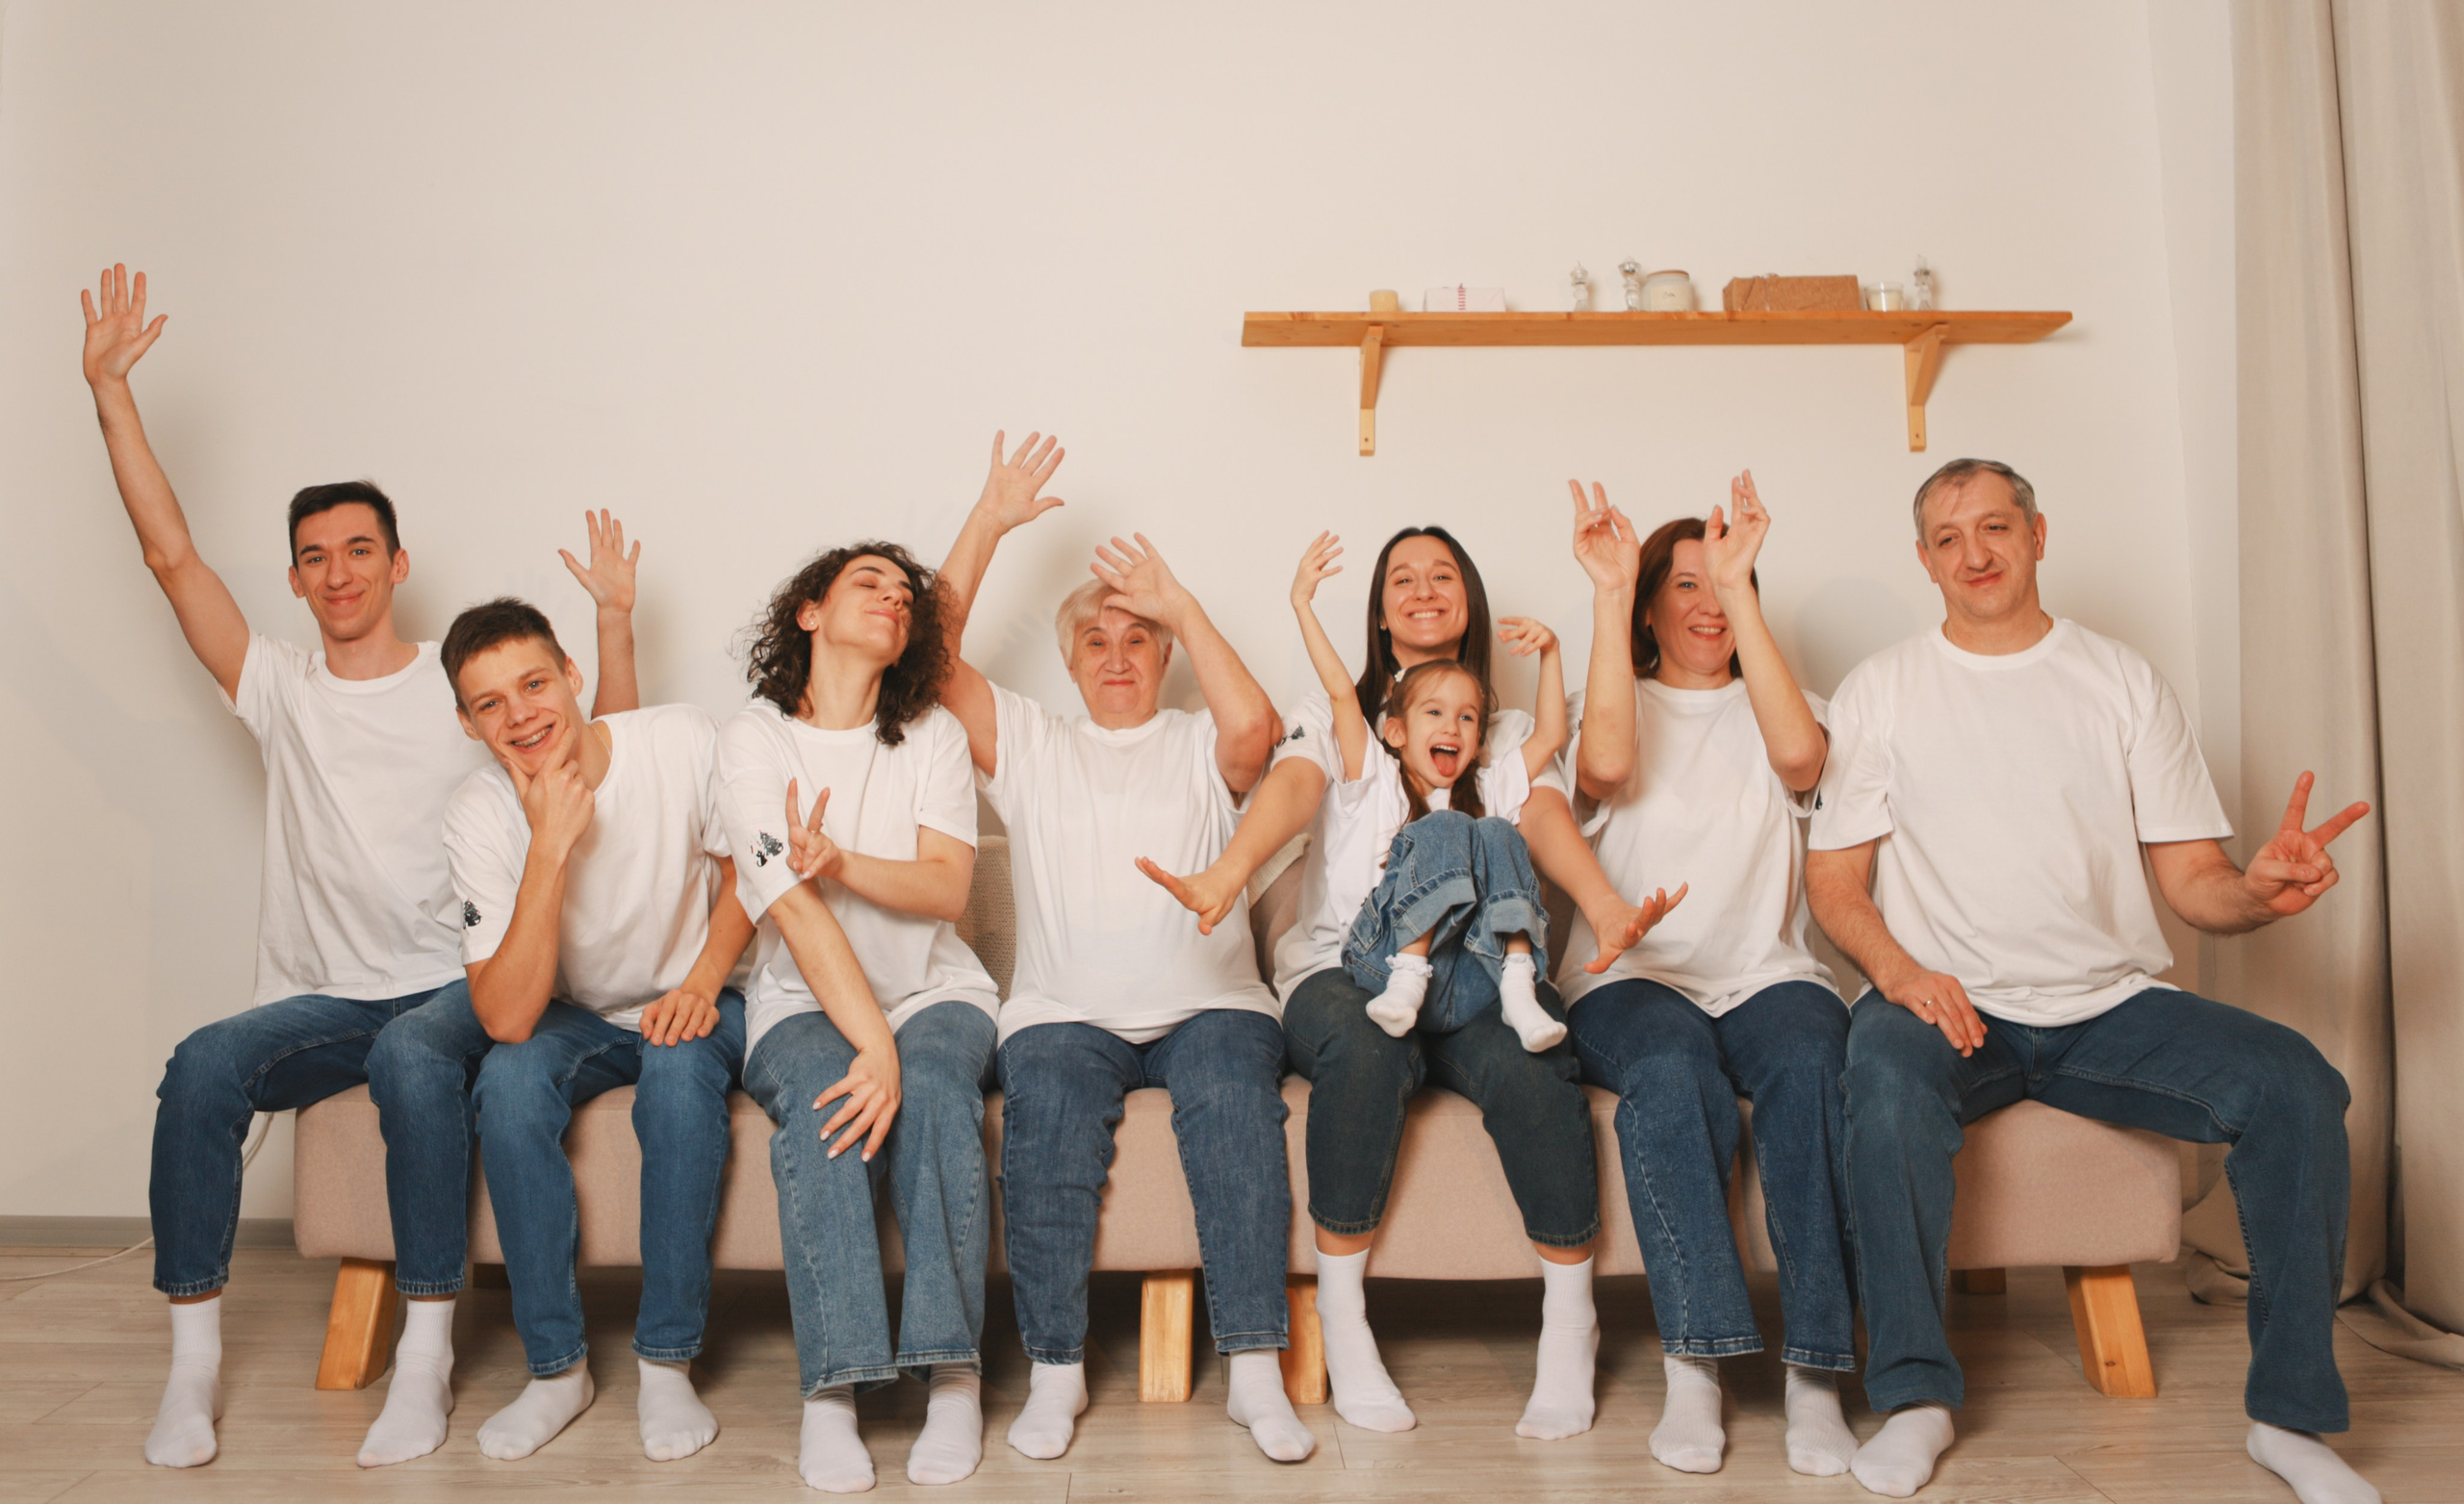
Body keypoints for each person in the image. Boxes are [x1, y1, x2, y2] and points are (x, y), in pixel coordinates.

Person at [77, 265, 639, 1470]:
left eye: (358, 550)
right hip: (329, 992)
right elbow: (173, 558)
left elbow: (609, 764)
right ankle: (192, 1370)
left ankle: (427, 1357)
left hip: (458, 983)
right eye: (314, 557)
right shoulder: (277, 687)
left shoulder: (461, 686)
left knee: (412, 1053)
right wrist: (110, 394)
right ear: (293, 580)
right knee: (203, 1065)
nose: (337, 573)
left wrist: (611, 627)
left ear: (396, 562)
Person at [1804, 459, 2375, 1504]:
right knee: (1880, 1090)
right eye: (1947, 537)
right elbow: (1834, 880)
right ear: (1924, 560)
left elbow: (2194, 881)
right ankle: (1916, 1398)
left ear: (2036, 533)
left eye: (1993, 527)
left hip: (2108, 1007)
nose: (1973, 553)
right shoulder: (1881, 687)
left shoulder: (2119, 678)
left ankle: (2289, 1420)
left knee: (2296, 1082)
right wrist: (1897, 973)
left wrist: (2256, 892)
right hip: (1947, 1003)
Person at [1148, 522, 1677, 1441]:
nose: (1423, 588)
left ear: (1467, 600)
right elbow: (1298, 781)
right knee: (1363, 1048)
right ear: (1381, 618)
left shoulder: (1497, 741)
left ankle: (1569, 1326)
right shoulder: (1350, 725)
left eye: (1442, 575)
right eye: (1402, 577)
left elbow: (1546, 805)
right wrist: (1228, 874)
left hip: (1474, 980)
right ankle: (1344, 1324)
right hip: (1346, 974)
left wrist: (1606, 904)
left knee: (1533, 1064)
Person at [935, 433, 1315, 1464]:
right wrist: (987, 520)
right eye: (1095, 641)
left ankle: (1251, 1371)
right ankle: (1055, 1370)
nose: (1115, 655)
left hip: (1216, 1008)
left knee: (1237, 1113)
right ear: (1068, 661)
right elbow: (922, 662)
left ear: (1164, 658)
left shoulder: (1201, 742)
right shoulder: (1031, 743)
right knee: (1047, 1114)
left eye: (1138, 639)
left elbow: (1262, 726)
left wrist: (1180, 601)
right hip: (1066, 1017)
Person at [1556, 474, 1857, 1479]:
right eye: (1682, 585)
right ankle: (1698, 1362)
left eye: (1721, 584)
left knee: (1817, 1060)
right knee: (1674, 1071)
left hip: (1765, 976)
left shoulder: (1790, 702)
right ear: (1649, 608)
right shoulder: (1605, 697)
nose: (1703, 604)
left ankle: (1815, 1371)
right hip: (1629, 981)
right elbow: (1601, 769)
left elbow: (1801, 760)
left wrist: (1741, 593)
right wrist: (1607, 596)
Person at [423, 599, 753, 1464]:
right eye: (489, 703)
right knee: (509, 1081)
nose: (520, 714)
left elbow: (747, 873)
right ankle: (556, 1368)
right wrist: (547, 847)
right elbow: (506, 1016)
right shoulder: (477, 811)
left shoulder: (679, 738)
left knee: (680, 1084)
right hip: (576, 1013)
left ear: (573, 677)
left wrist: (702, 982)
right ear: (466, 722)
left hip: (699, 988)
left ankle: (666, 1360)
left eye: (533, 683)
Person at [716, 541, 1000, 1492]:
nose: (890, 598)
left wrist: (836, 862)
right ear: (808, 612)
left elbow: (945, 887)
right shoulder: (752, 739)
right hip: (799, 1000)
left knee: (929, 1086)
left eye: (903, 593)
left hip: (934, 991)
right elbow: (783, 906)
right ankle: (832, 1391)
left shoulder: (932, 737)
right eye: (864, 582)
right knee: (831, 1097)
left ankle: (952, 1377)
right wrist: (866, 1043)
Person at [1288, 532, 1570, 1050]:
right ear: (1396, 733)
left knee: (1496, 834)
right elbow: (1339, 692)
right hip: (1380, 954)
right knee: (1445, 827)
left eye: (1467, 718)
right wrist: (1302, 604)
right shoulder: (1373, 779)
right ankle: (1408, 976)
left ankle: (1518, 984)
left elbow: (1551, 735)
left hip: (1470, 966)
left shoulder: (1489, 782)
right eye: (1435, 714)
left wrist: (1550, 651)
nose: (1452, 728)